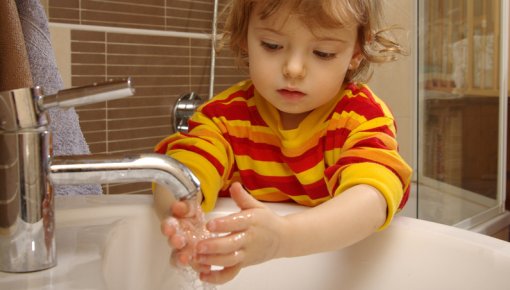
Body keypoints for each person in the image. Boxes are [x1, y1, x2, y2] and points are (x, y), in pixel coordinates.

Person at [154, 0, 412, 285]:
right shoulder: (223, 120)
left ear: (355, 53)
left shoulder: (360, 118)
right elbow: (180, 171)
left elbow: (372, 200)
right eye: (272, 45)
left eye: (323, 53)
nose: (293, 69)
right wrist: (182, 210)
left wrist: (284, 238)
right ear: (243, 39)